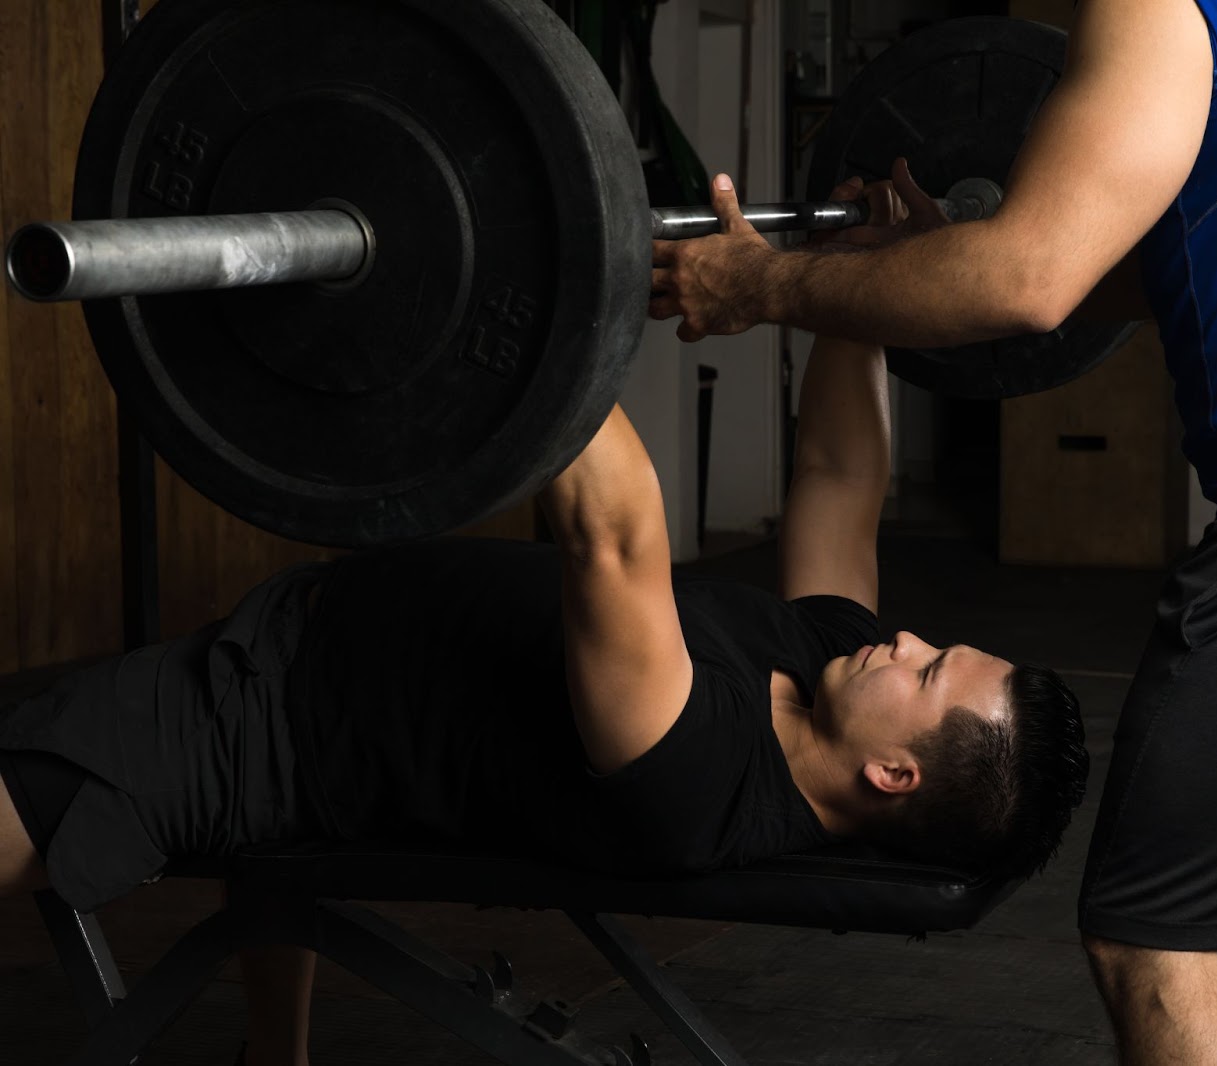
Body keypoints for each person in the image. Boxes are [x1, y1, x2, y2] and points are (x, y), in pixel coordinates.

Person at [0, 184, 1089, 1066]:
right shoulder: (829, 670)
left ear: (894, 775)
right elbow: (840, 473)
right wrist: (843, 278)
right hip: (342, 653)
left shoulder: (697, 776)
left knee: (25, 802)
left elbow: (613, 528)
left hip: (268, 726)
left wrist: (482, 264)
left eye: (930, 666)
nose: (905, 639)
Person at [650, 1, 1217, 1063]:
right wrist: (944, 257)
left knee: (1147, 933)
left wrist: (767, 284)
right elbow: (1201, 244)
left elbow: (1028, 283)